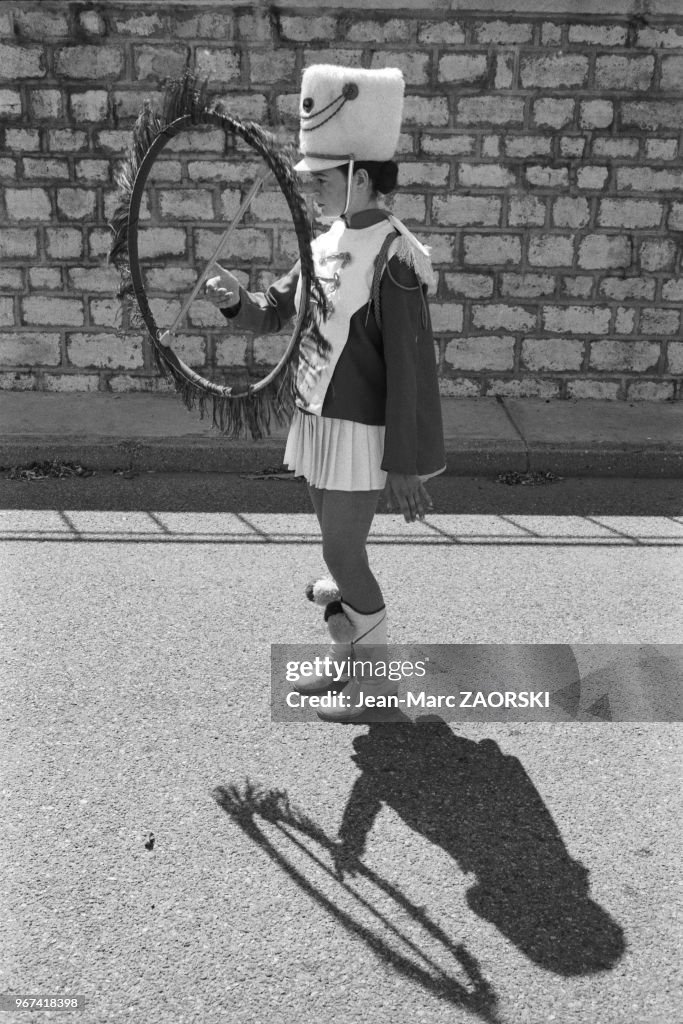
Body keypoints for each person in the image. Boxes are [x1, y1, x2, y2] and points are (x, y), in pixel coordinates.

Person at [205, 65, 446, 722]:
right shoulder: (326, 243)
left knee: (344, 554)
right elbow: (275, 309)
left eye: (323, 177)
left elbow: (410, 368)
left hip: (365, 432)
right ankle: (349, 665)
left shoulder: (395, 255)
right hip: (317, 420)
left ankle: (376, 691)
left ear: (360, 175)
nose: (311, 189)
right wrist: (236, 302)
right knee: (334, 551)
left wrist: (404, 462)